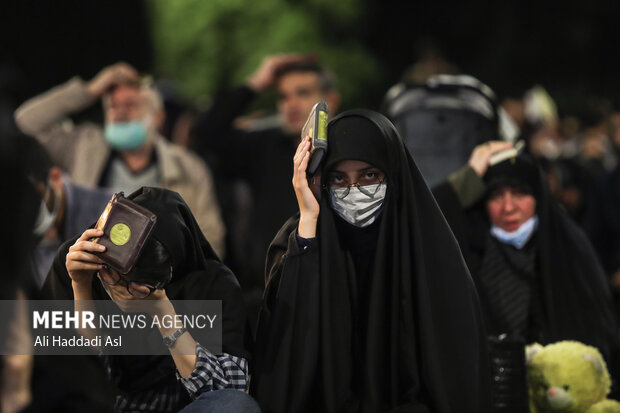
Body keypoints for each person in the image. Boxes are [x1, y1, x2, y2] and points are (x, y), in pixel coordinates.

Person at [251, 110, 491, 413]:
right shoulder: (300, 239)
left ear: (393, 174)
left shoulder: (427, 245)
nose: (355, 191)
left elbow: (454, 378)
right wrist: (310, 219)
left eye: (370, 175)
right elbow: (286, 354)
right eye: (339, 178)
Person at [432, 141, 620, 405]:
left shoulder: (568, 251)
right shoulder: (471, 250)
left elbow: (600, 337)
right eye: (496, 196)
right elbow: (426, 220)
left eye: (519, 194)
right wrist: (470, 175)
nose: (508, 207)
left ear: (539, 197)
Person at [42, 187, 258, 413]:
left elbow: (231, 391)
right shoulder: (82, 266)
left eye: (135, 286)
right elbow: (72, 379)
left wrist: (162, 312)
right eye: (111, 278)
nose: (120, 291)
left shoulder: (210, 284)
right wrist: (81, 288)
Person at [14, 62, 226, 257]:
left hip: (158, 287)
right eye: (113, 106)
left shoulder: (188, 166)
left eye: (131, 104)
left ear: (158, 116)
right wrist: (90, 90)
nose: (120, 113)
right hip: (86, 280)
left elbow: (211, 240)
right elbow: (24, 125)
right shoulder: (84, 147)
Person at [191, 55, 341, 316]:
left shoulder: (348, 154)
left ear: (332, 100)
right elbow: (205, 133)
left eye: (302, 93)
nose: (291, 104)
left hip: (330, 291)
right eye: (283, 96)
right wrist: (257, 82)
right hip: (269, 297)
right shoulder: (265, 146)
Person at [20, 135, 113, 287]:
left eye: (33, 198)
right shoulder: (18, 237)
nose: (26, 210)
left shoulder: (110, 210)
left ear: (55, 178)